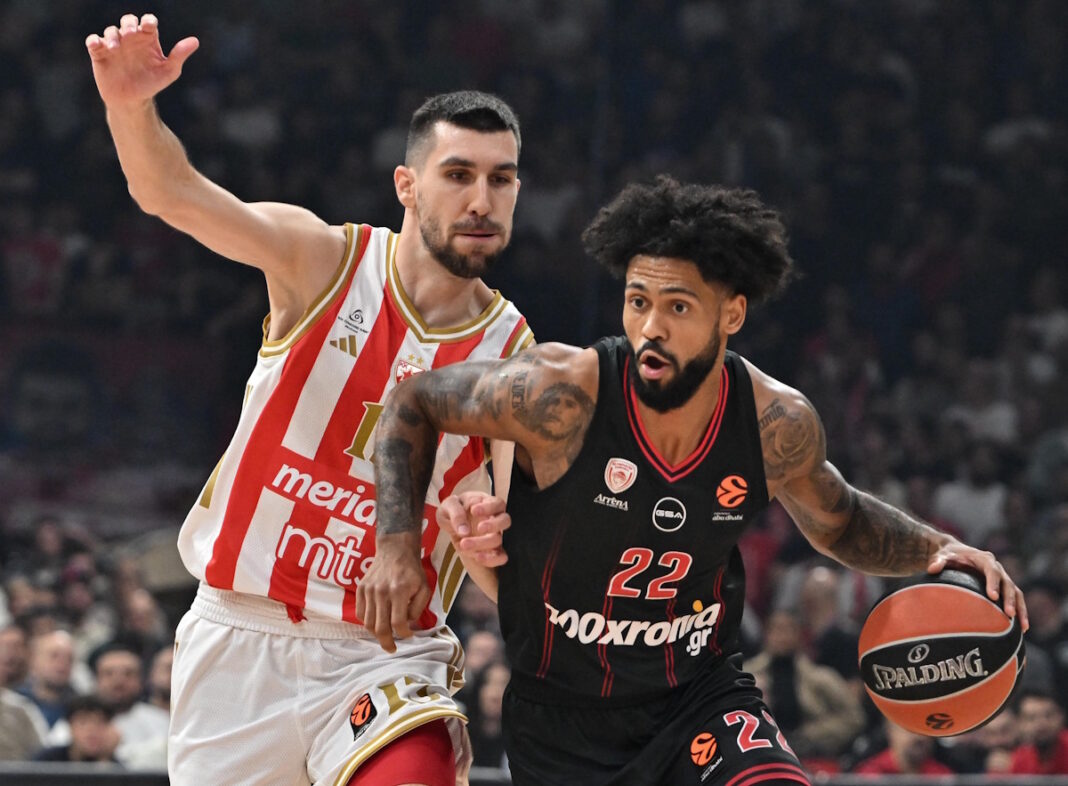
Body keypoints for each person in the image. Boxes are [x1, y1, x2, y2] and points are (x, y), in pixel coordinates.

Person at [365, 177, 1027, 785]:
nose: (651, 327)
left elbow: (842, 520)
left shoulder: (773, 421)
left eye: (678, 306)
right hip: (564, 721)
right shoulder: (561, 395)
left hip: (698, 699)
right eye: (638, 302)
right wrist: (396, 547)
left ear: (731, 314)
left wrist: (938, 548)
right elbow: (413, 402)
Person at [86, 12, 531, 786]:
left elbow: (505, 581)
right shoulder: (323, 260)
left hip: (383, 655)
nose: (482, 200)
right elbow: (172, 193)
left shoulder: (516, 358)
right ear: (407, 185)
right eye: (459, 174)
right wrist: (131, 107)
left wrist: (489, 548)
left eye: (502, 179)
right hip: (240, 634)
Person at [32, 694, 120, 764]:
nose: (91, 730)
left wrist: (104, 759)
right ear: (70, 726)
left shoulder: (116, 768)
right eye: (83, 722)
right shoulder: (47, 761)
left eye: (99, 723)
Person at [852, 719, 955, 776]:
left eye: (925, 730)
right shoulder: (870, 774)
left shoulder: (941, 775)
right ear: (890, 732)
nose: (920, 737)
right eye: (910, 730)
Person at [1010, 688, 1068, 774]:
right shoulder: (1019, 759)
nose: (1041, 724)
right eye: (1031, 718)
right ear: (1019, 724)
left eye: (1048, 716)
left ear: (1061, 717)